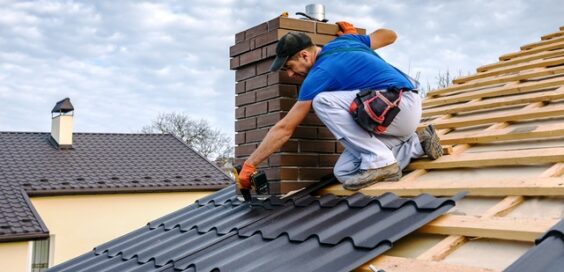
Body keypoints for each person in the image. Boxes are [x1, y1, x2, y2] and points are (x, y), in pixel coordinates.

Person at [238, 21, 442, 191]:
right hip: (395, 116)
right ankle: (417, 144)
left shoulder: (319, 74)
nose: (290, 75)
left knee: (322, 101)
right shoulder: (346, 41)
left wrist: (250, 164)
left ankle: (381, 161)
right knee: (344, 172)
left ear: (305, 56)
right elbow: (390, 35)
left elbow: (284, 129)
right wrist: (358, 40)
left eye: (289, 67)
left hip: (399, 105)